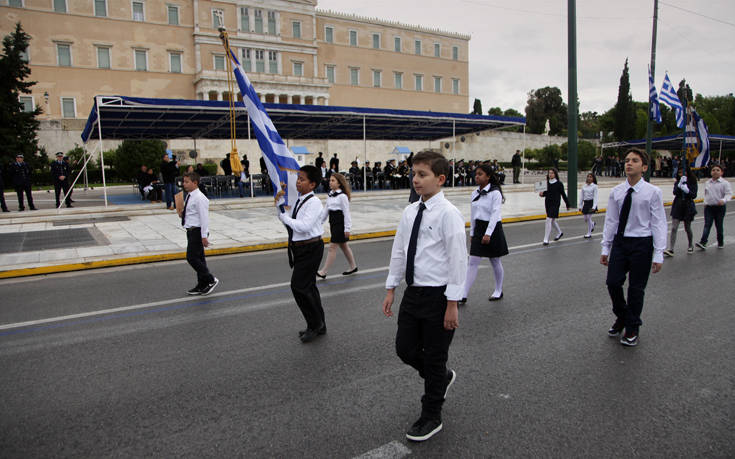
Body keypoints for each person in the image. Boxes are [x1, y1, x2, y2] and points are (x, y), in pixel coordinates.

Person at [381, 150, 467, 442]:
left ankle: (432, 415)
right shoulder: (410, 212)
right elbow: (399, 251)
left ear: (440, 179)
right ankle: (440, 377)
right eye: (413, 174)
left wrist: (452, 304)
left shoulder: (448, 214)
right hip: (413, 293)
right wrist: (391, 288)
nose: (415, 180)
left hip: (439, 296)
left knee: (433, 356)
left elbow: (458, 260)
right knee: (404, 349)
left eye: (422, 174)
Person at [600, 149, 667, 347]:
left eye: (634, 161)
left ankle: (632, 328)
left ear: (644, 167)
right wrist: (606, 248)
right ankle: (624, 317)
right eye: (627, 160)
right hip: (621, 242)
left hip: (642, 243)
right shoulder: (617, 192)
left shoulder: (653, 192)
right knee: (613, 283)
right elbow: (611, 221)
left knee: (636, 289)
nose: (629, 163)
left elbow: (658, 223)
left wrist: (658, 253)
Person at [276, 165, 326, 343]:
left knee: (299, 286)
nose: (297, 182)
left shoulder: (314, 202)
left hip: (311, 248)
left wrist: (284, 217)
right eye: (298, 178)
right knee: (309, 286)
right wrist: (280, 207)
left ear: (312, 184)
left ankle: (314, 324)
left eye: (302, 179)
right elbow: (290, 222)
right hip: (301, 248)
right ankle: (320, 323)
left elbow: (303, 226)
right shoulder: (300, 200)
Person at [460, 163, 508, 304]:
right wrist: (473, 232)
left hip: (492, 229)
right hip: (479, 228)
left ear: (488, 177)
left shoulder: (495, 193)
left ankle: (498, 290)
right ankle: (463, 294)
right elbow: (473, 214)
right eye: (476, 174)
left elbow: (495, 214)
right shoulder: (474, 193)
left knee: (495, 260)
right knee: (473, 262)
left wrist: (488, 234)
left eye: (480, 174)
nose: (477, 176)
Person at [180, 172, 219, 296]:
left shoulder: (200, 198)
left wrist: (204, 236)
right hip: (190, 230)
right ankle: (202, 284)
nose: (184, 184)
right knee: (200, 259)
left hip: (197, 231)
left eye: (187, 182)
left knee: (191, 258)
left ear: (195, 183)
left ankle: (210, 279)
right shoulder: (190, 196)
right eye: (184, 182)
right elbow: (192, 213)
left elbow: (204, 218)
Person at [317, 173, 358, 279]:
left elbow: (346, 213)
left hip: (340, 224)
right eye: (330, 180)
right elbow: (326, 211)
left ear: (339, 183)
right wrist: (318, 223)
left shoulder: (342, 197)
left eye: (333, 181)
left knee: (332, 247)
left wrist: (347, 228)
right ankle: (353, 266)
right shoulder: (330, 194)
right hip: (333, 223)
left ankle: (324, 271)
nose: (330, 182)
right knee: (344, 246)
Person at [695, 163, 732, 250]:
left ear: (722, 172)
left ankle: (720, 242)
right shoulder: (708, 182)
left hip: (719, 207)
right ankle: (703, 242)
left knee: (719, 225)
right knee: (707, 224)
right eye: (713, 170)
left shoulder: (725, 183)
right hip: (709, 207)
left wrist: (724, 200)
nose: (715, 172)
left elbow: (729, 194)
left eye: (717, 170)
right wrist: (705, 202)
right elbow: (706, 194)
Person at [664, 168, 697, 257]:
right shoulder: (677, 182)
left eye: (683, 171)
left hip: (688, 205)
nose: (681, 174)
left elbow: (694, 195)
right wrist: (679, 185)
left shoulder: (692, 182)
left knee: (687, 228)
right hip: (678, 205)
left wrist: (687, 190)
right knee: (674, 227)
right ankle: (671, 249)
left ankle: (690, 245)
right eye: (679, 172)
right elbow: (675, 192)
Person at [539, 167, 569, 245]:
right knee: (552, 220)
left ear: (555, 174)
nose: (550, 174)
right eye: (549, 173)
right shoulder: (546, 183)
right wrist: (542, 194)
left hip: (555, 203)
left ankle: (546, 239)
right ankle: (559, 232)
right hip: (548, 203)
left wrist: (567, 204)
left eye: (552, 173)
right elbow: (546, 193)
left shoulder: (559, 183)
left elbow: (563, 194)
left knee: (548, 219)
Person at [579, 173, 598, 238]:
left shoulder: (595, 186)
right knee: (585, 219)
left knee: (589, 217)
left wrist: (594, 207)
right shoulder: (584, 186)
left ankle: (589, 233)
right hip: (586, 203)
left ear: (593, 179)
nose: (589, 178)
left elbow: (595, 197)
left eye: (591, 177)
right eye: (588, 177)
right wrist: (580, 206)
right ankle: (592, 224)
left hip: (591, 203)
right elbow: (581, 197)